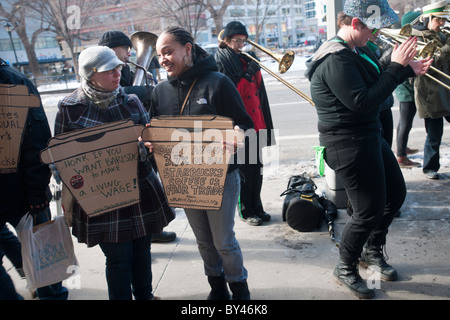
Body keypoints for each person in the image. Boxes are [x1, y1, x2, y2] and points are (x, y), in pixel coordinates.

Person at [304, 0, 432, 299]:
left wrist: (406, 69)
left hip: (368, 135)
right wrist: (398, 66)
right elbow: (361, 101)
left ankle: (371, 251)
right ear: (355, 23)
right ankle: (345, 266)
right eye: (373, 28)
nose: (377, 34)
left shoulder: (357, 49)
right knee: (368, 210)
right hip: (347, 143)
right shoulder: (336, 58)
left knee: (395, 196)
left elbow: (376, 80)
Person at [54, 46, 175, 300]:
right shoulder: (70, 108)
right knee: (119, 258)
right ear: (91, 74)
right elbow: (60, 157)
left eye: (118, 67)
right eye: (109, 70)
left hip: (140, 190)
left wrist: (149, 145)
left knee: (142, 251)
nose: (117, 73)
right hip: (101, 198)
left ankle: (145, 295)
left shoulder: (130, 101)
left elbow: (148, 139)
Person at [146, 26, 254, 300]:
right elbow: (153, 133)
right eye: (160, 54)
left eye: (168, 51)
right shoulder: (159, 92)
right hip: (184, 180)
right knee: (204, 242)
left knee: (224, 242)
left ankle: (240, 291)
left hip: (220, 178)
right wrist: (149, 144)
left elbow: (245, 126)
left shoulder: (217, 82)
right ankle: (217, 290)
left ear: (188, 49)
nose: (163, 59)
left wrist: (235, 137)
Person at [0, 58, 68, 300]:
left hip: (22, 192)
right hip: (18, 190)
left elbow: (36, 142)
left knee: (44, 259)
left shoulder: (13, 81)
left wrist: (38, 193)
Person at [99, 30, 176, 242]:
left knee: (149, 187)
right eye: (126, 49)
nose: (129, 54)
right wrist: (146, 92)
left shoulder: (129, 70)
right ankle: (139, 234)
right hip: (120, 143)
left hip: (141, 137)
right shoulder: (105, 72)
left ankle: (153, 230)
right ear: (113, 49)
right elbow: (120, 94)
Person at [215, 21, 275, 226]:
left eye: (243, 41)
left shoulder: (243, 59)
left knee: (257, 168)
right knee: (245, 169)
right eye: (237, 41)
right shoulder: (221, 61)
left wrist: (255, 70)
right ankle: (245, 210)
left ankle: (257, 205)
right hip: (240, 124)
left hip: (256, 121)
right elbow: (231, 93)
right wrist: (248, 73)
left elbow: (257, 90)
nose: (242, 45)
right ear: (227, 40)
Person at [411, 0, 450, 180]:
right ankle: (429, 167)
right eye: (438, 20)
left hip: (446, 89)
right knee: (434, 134)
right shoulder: (417, 37)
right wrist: (448, 47)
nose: (442, 24)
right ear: (428, 18)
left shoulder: (441, 35)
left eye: (443, 20)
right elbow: (432, 60)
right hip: (430, 93)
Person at [394, 11, 423, 168]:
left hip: (406, 86)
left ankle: (401, 148)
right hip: (406, 88)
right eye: (418, 23)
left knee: (405, 121)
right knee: (406, 121)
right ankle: (401, 157)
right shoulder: (405, 41)